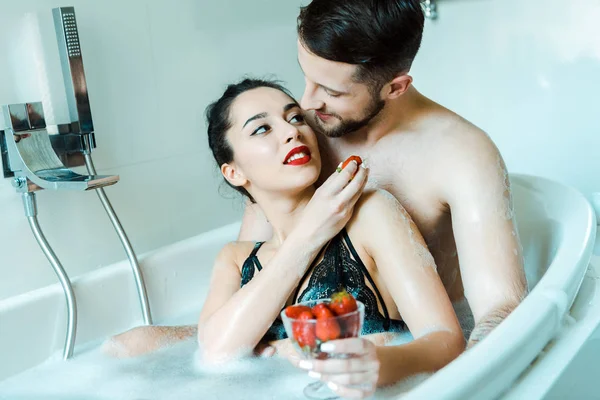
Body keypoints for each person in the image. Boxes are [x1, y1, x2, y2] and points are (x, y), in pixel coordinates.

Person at [105, 78, 464, 399]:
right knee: (126, 345)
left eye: (295, 118)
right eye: (262, 129)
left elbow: (446, 341)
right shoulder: (235, 259)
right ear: (234, 172)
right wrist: (310, 233)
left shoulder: (371, 214)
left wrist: (380, 363)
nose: (292, 132)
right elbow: (215, 351)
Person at [238, 0, 528, 347]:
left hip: (413, 349)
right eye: (306, 76)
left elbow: (501, 309)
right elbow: (246, 276)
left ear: (395, 87)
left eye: (331, 91)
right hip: (297, 345)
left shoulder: (461, 155)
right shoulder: (297, 135)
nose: (307, 102)